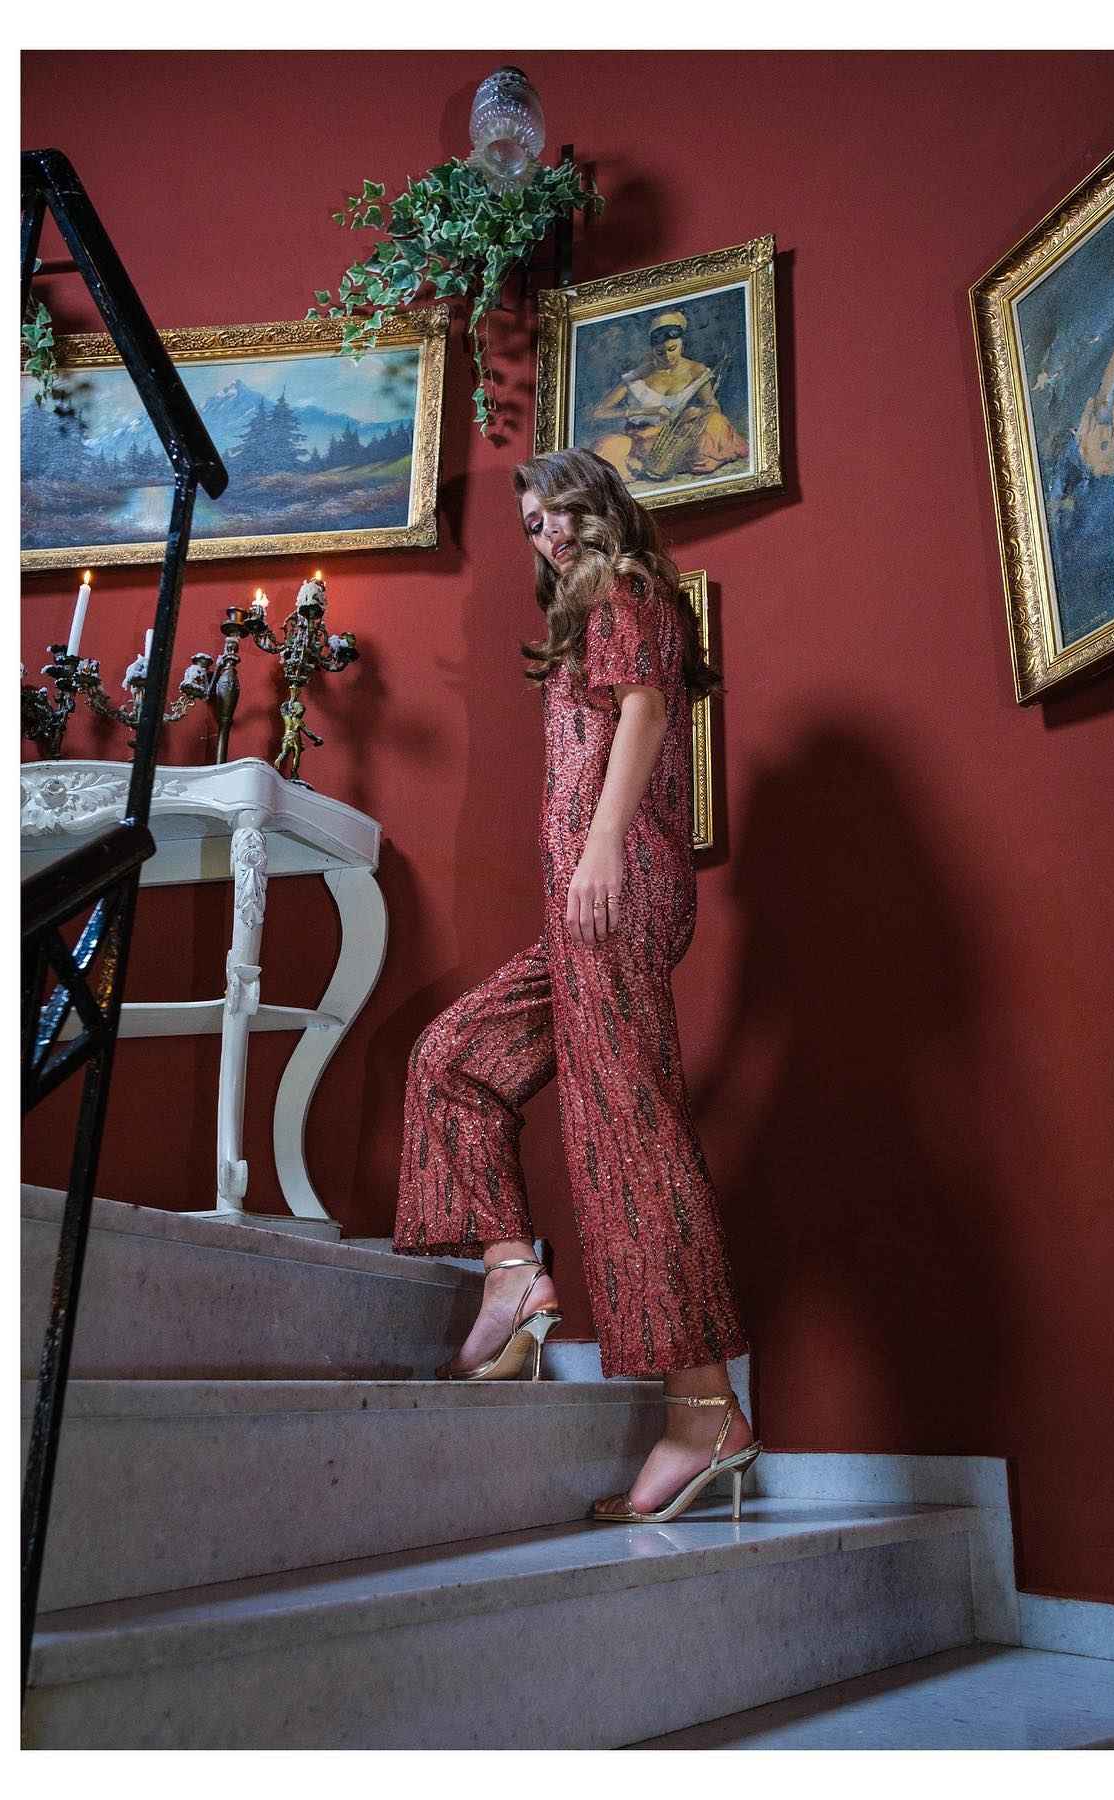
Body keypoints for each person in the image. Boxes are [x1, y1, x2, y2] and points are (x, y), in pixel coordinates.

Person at [392, 446, 761, 1523]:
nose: (545, 534)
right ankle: (514, 1272)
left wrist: (601, 848)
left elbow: (644, 712)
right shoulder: (587, 610)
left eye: (560, 512)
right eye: (531, 523)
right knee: (453, 1059)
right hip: (581, 909)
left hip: (618, 885)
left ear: (603, 510)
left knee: (624, 1132)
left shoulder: (633, 590)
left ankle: (703, 1409)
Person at [588, 310, 749, 486]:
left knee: (716, 422)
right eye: (660, 352)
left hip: (678, 436)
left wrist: (698, 411)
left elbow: (713, 406)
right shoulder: (638, 376)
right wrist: (647, 411)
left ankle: (691, 459)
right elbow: (599, 412)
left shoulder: (696, 370)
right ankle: (646, 464)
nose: (668, 356)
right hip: (642, 438)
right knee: (607, 447)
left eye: (673, 349)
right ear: (652, 350)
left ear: (682, 344)